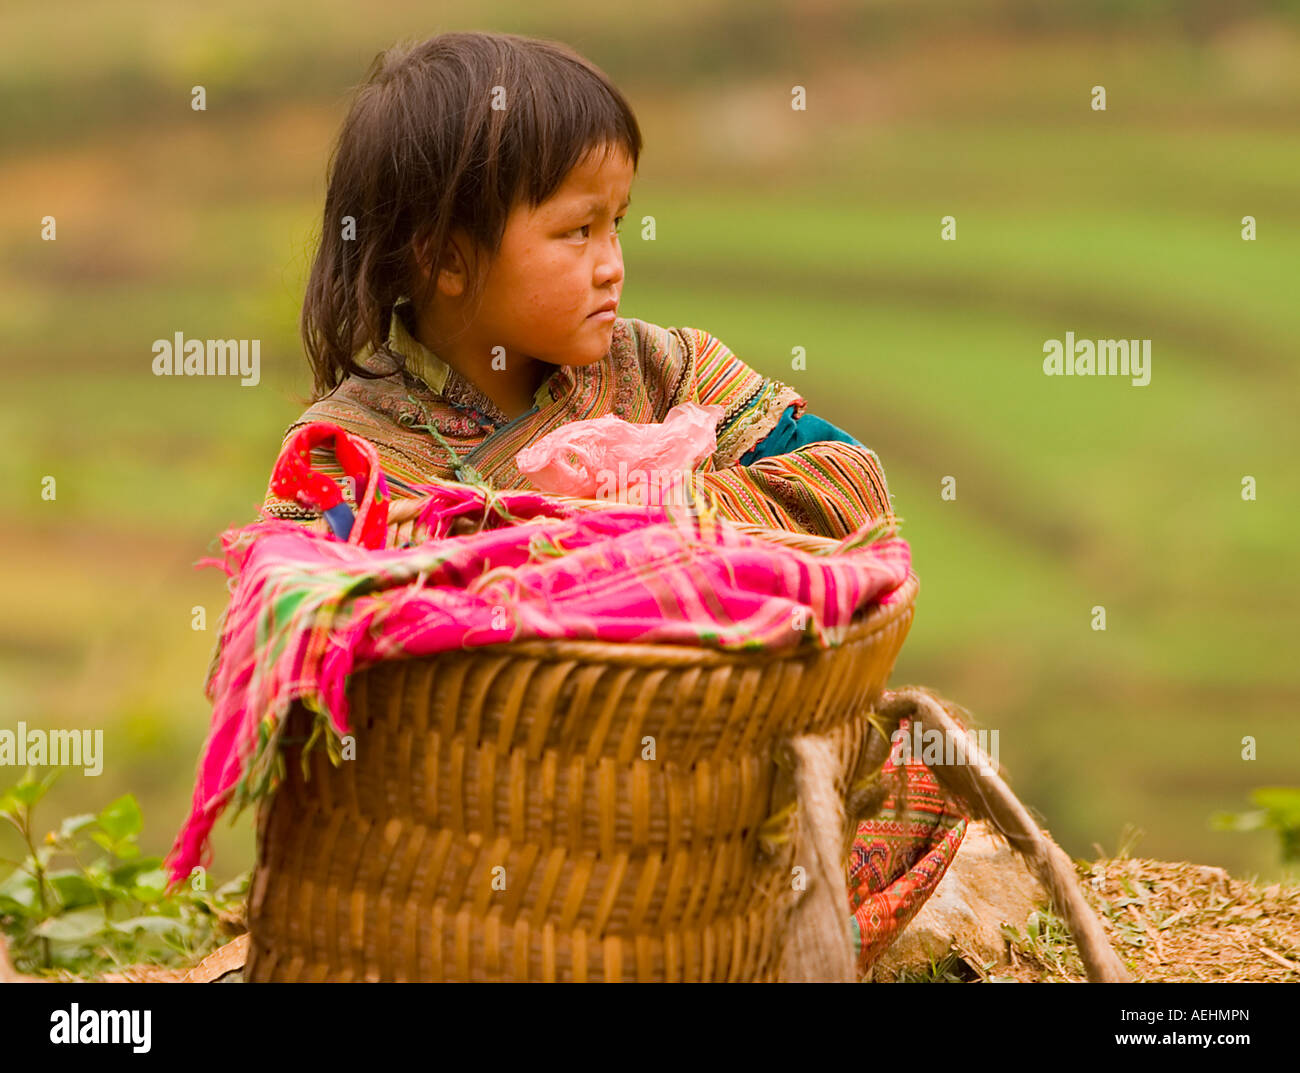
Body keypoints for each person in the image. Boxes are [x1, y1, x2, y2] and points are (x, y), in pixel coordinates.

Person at [257, 30, 965, 977]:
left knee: (918, 769)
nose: (612, 263)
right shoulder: (347, 453)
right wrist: (520, 531)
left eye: (618, 223)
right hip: (495, 826)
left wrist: (640, 503)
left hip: (697, 788)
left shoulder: (664, 369)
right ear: (445, 259)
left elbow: (846, 484)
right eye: (575, 230)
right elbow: (308, 658)